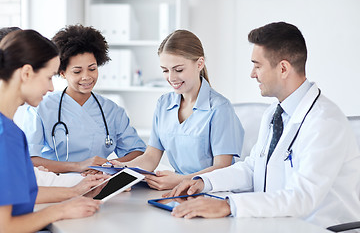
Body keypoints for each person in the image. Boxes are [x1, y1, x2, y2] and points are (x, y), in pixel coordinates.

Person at [165, 22, 360, 228]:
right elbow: (252, 169)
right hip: (276, 223)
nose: (252, 73)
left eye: (257, 65)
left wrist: (230, 206)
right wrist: (203, 182)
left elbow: (303, 197)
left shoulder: (324, 122)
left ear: (283, 68)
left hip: (320, 228)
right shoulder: (275, 114)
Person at [0, 29, 109, 232]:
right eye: (49, 77)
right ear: (26, 73)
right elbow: (4, 226)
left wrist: (76, 191)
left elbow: (20, 194)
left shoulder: (8, 129)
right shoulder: (6, 135)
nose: (51, 88)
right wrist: (60, 211)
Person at [112, 30, 244, 191]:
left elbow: (222, 168)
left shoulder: (220, 108)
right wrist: (119, 167)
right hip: (175, 191)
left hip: (212, 192)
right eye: (165, 70)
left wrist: (180, 180)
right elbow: (151, 157)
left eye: (178, 69)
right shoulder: (163, 104)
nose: (171, 78)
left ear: (200, 63)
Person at [22, 25, 146, 174]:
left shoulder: (112, 110)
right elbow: (30, 159)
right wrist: (79, 166)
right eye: (77, 71)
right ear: (62, 73)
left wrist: (106, 167)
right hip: (58, 183)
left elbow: (137, 152)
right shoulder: (41, 108)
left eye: (92, 69)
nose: (86, 76)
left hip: (101, 182)